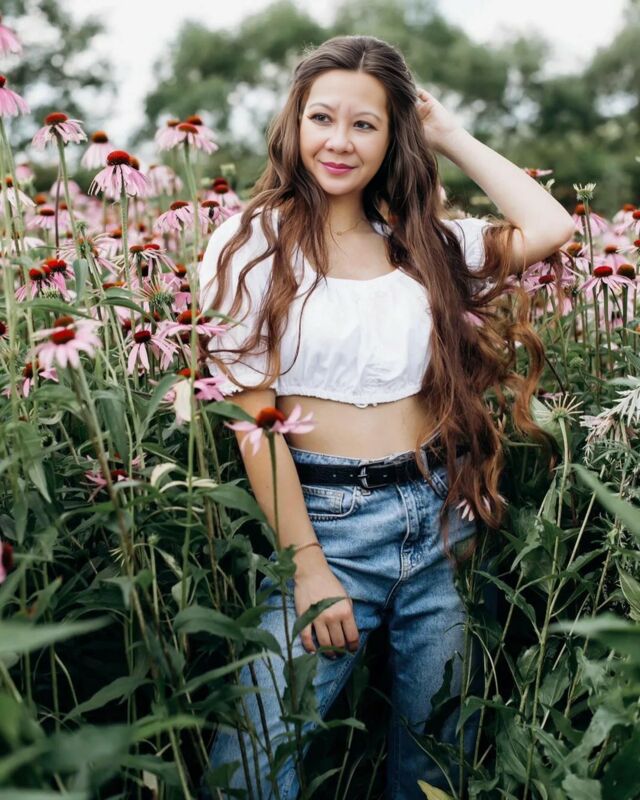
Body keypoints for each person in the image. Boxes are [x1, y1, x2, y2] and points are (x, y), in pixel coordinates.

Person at [197, 34, 572, 800]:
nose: (339, 141)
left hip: (442, 518)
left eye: (364, 124)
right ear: (294, 122)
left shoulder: (424, 244)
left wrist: (448, 132)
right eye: (322, 117)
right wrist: (308, 568)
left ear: (393, 135)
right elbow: (254, 420)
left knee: (438, 766)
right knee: (251, 766)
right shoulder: (251, 244)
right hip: (324, 522)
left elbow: (550, 225)